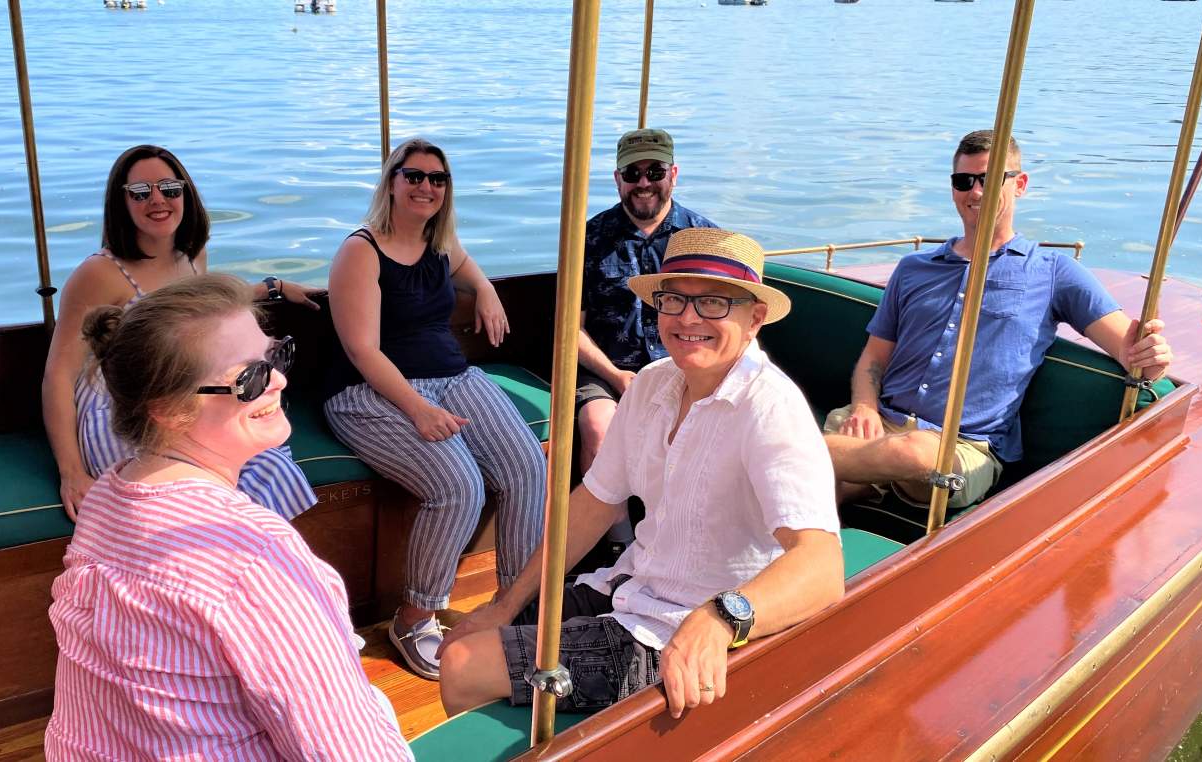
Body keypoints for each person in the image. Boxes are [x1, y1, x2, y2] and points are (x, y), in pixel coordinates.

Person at [437, 228, 844, 720]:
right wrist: (505, 603)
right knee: (464, 636)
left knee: (462, 664)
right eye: (674, 299)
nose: (688, 318)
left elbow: (822, 568)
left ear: (754, 318)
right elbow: (593, 503)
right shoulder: (653, 384)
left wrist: (720, 618)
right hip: (630, 585)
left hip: (681, 629)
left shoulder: (769, 408)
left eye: (714, 302)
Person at [45, 274, 411, 761]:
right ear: (169, 410)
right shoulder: (253, 562)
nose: (279, 381)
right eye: (249, 378)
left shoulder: (110, 499)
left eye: (276, 356)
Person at [823, 130, 1174, 510]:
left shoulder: (1053, 272)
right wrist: (864, 408)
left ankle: (797, 453)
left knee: (915, 454)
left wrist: (1149, 355)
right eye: (964, 181)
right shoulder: (913, 270)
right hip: (878, 424)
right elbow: (873, 359)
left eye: (989, 180)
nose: (975, 192)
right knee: (815, 496)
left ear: (1020, 184)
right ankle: (841, 485)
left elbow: (1127, 347)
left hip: (961, 448)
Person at [324, 138, 547, 681]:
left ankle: (512, 607)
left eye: (438, 179)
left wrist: (487, 289)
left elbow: (468, 268)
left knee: (526, 469)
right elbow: (362, 350)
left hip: (453, 375)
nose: (426, 186)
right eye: (414, 175)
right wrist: (418, 408)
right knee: (458, 488)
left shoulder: (440, 243)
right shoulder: (362, 249)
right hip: (370, 391)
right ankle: (414, 618)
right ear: (392, 182)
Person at [41, 144, 324, 521]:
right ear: (121, 202)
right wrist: (71, 472)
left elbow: (196, 308)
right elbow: (58, 374)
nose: (157, 200)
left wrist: (273, 287)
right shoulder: (98, 274)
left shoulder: (192, 253)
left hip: (187, 389)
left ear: (185, 194)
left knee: (266, 464)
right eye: (141, 193)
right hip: (125, 406)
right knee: (193, 489)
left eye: (169, 189)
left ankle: (249, 555)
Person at [578, 128, 717, 545]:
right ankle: (617, 549)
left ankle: (677, 540)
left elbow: (719, 326)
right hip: (605, 369)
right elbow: (571, 330)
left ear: (673, 174)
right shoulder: (588, 237)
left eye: (654, 171)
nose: (643, 183)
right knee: (598, 426)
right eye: (632, 173)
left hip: (684, 364)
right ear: (617, 179)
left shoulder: (703, 240)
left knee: (698, 428)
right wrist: (618, 377)